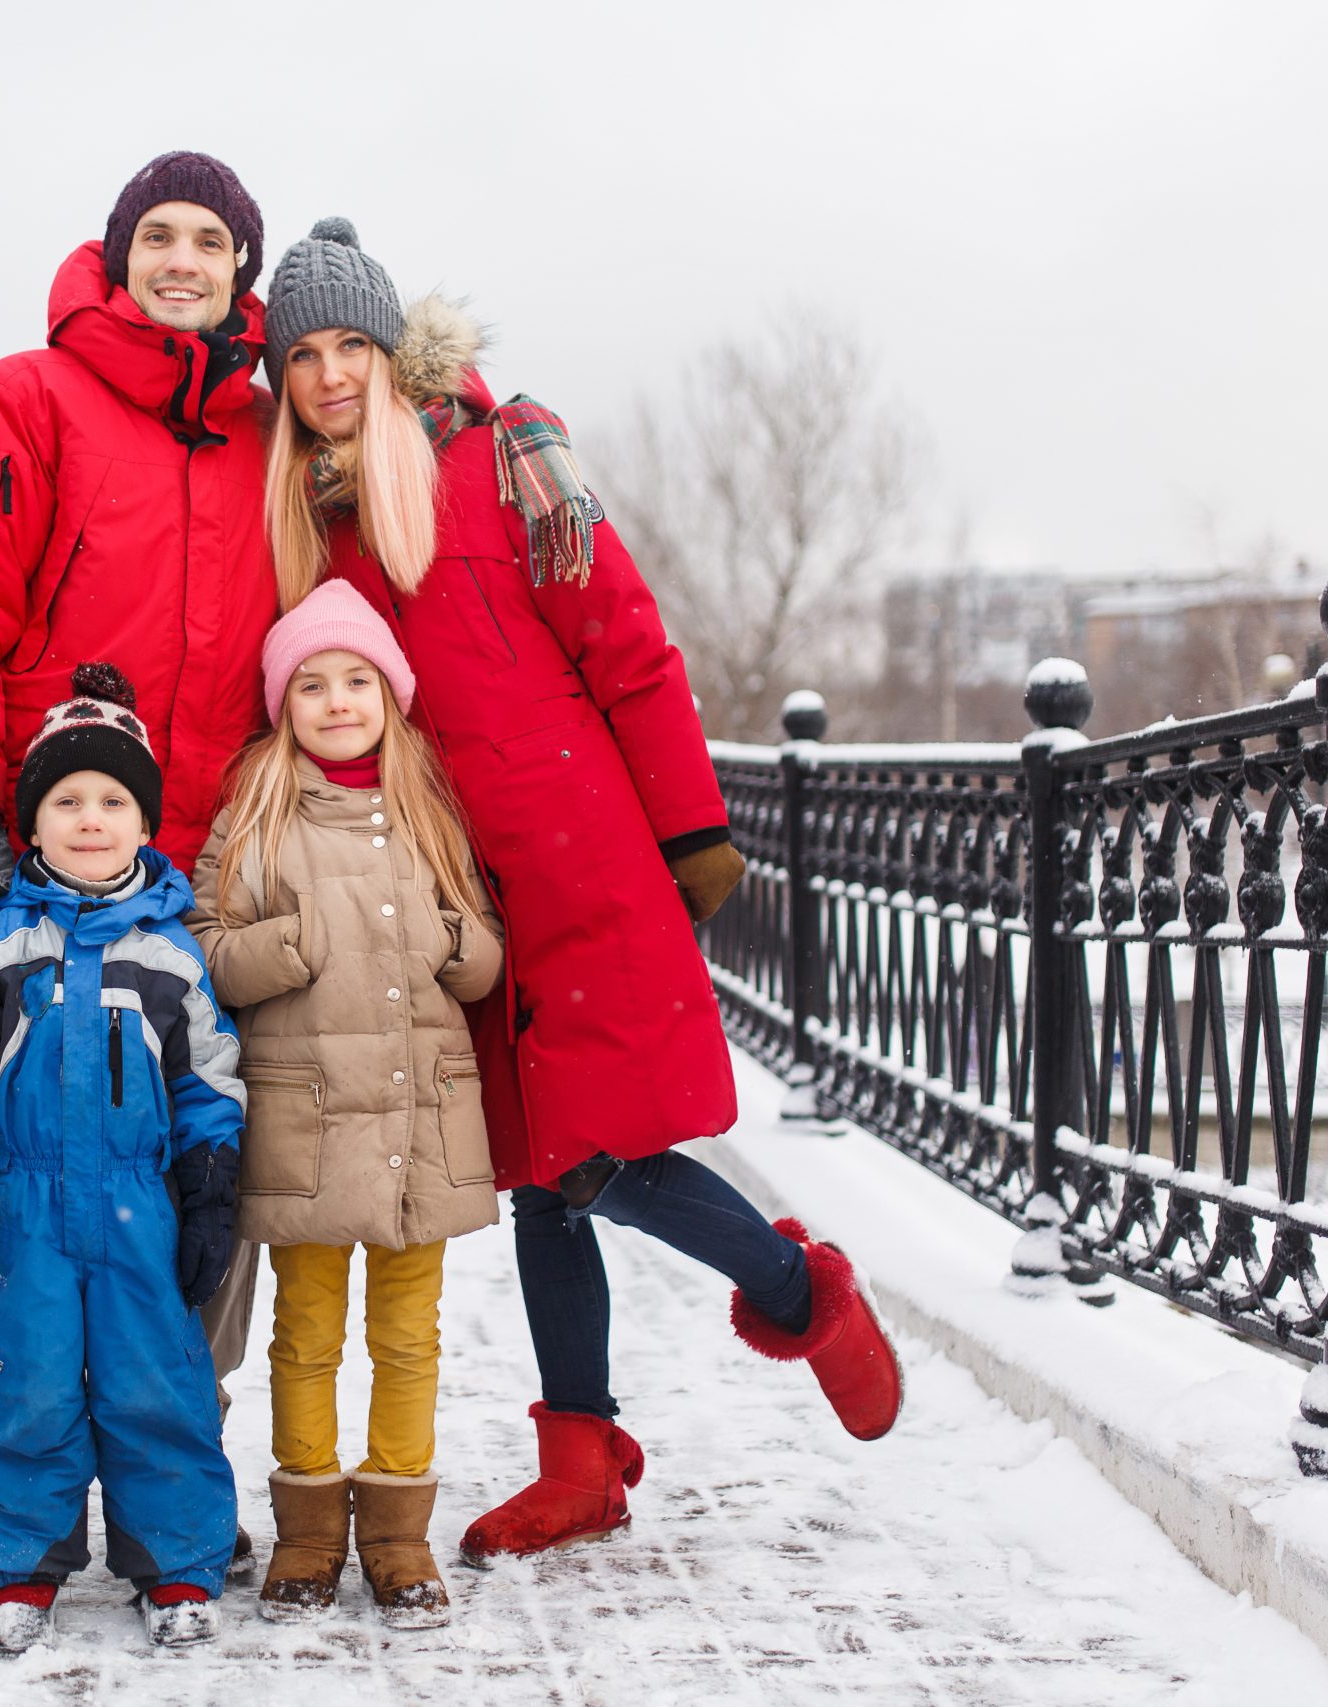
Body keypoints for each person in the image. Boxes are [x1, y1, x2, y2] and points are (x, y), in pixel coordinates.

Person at [255, 220, 906, 1565]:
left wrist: (691, 828)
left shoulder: (505, 454)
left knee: (598, 1151)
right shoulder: (314, 521)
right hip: (461, 879)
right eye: (299, 353)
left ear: (392, 346)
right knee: (542, 1181)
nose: (326, 374)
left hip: (585, 849)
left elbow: (628, 640)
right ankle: (580, 1460)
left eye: (347, 345)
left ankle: (806, 1290)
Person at [0, 150, 279, 1600]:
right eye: (157, 236)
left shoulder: (267, 437)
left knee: (199, 1159)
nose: (183, 260)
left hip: (210, 867)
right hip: (45, 858)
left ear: (245, 271)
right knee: (8, 1159)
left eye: (212, 241)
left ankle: (178, 1461)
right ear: (117, 258)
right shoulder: (27, 401)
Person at [0, 663, 244, 1652]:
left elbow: (209, 1077)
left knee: (159, 1385)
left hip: (146, 1209)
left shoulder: (172, 954)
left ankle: (175, 1566)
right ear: (33, 823)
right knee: (28, 1387)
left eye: (111, 801)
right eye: (65, 801)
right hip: (29, 1210)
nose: (89, 820)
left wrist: (210, 1187)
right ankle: (21, 1568)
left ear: (143, 825)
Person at [187, 582, 503, 1627]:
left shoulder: (427, 812)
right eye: (311, 684)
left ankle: (400, 1533)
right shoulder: (258, 816)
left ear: (389, 696)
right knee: (307, 1333)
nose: (335, 701)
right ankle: (310, 1530)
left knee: (411, 1335)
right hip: (308, 1125)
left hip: (419, 1121)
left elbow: (486, 944)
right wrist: (282, 948)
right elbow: (202, 950)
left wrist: (460, 951)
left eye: (356, 680)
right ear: (283, 706)